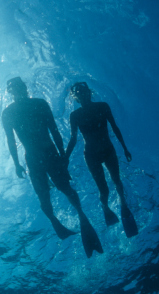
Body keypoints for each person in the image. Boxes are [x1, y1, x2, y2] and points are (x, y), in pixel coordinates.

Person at [1, 77, 103, 257]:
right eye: (16, 88)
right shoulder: (15, 111)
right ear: (15, 91)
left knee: (61, 189)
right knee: (47, 194)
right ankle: (61, 221)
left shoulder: (31, 106)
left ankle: (80, 218)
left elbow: (54, 130)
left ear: (23, 89)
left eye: (20, 87)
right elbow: (12, 140)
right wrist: (17, 164)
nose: (19, 90)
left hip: (46, 154)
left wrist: (63, 155)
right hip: (39, 156)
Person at [66, 82, 138, 237]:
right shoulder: (75, 115)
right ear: (76, 97)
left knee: (117, 181)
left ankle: (123, 205)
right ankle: (105, 208)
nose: (83, 95)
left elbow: (114, 127)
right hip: (91, 155)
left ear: (89, 93)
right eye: (79, 94)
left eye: (84, 92)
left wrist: (125, 148)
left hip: (108, 151)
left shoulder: (103, 106)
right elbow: (73, 139)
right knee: (103, 189)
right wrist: (65, 158)